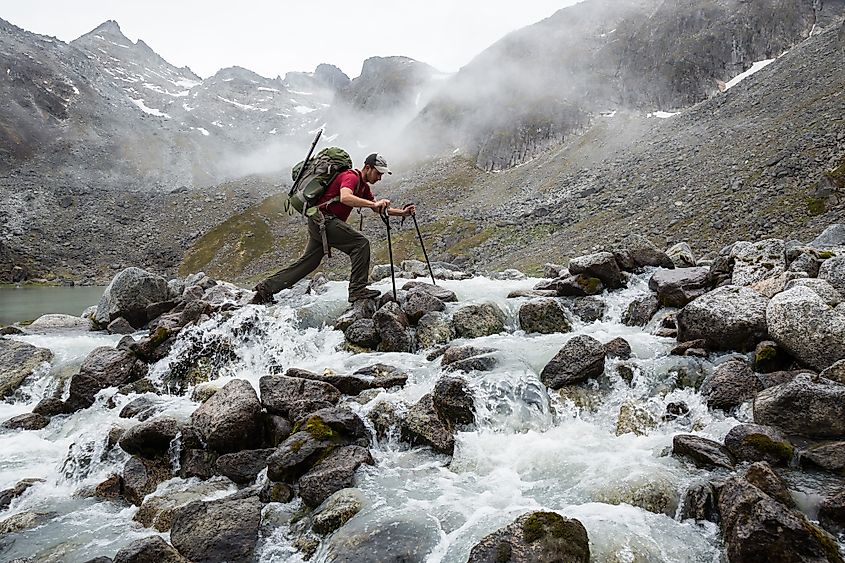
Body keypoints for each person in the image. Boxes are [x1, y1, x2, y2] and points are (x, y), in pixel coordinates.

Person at [250, 153, 415, 304]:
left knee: (309, 263)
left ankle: (265, 289)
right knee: (361, 244)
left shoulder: (363, 187)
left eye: (382, 174)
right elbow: (345, 197)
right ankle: (357, 289)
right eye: (378, 173)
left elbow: (377, 208)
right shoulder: (351, 177)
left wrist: (403, 213)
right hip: (324, 221)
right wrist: (373, 203)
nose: (380, 177)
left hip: (318, 222)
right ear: (367, 167)